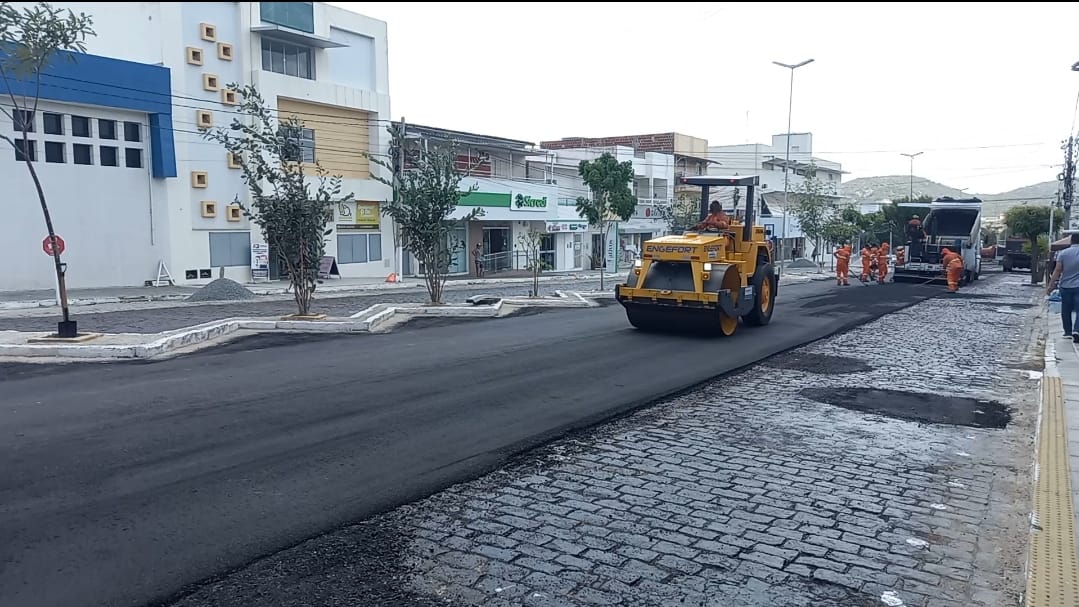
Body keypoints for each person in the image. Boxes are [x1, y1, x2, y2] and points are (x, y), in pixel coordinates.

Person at [1047, 231, 1079, 340]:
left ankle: (1068, 332)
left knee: (1066, 309)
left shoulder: (1063, 253)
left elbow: (1057, 270)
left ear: (1071, 241)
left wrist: (1050, 286)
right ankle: (1077, 330)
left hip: (1066, 286)